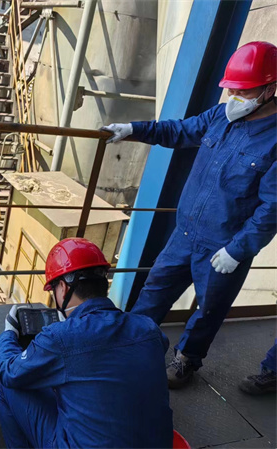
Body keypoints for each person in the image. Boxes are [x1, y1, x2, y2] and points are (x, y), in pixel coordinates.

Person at [103, 41, 277, 389]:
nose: (234, 97)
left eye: (243, 91)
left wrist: (237, 250)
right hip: (184, 234)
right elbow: (180, 131)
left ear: (269, 90)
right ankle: (128, 349)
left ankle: (186, 360)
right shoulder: (221, 116)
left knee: (208, 309)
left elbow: (272, 208)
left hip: (223, 247)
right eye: (231, 89)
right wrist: (135, 130)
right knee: (153, 294)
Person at [0, 238, 173, 448]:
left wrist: (8, 333)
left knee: (4, 379)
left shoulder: (60, 337)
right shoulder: (148, 328)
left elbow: (10, 372)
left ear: (63, 288)